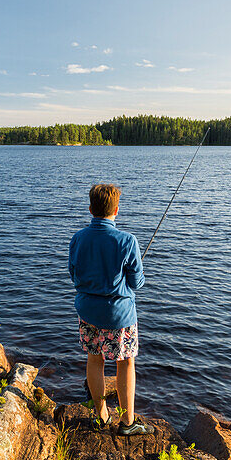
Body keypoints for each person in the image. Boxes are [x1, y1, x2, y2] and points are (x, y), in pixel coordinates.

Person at [69, 183, 149, 435]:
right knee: (125, 363)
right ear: (116, 210)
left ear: (91, 208)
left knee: (94, 360)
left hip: (88, 312)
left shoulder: (78, 238)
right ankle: (127, 423)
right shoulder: (128, 240)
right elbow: (136, 283)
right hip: (119, 315)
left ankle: (101, 416)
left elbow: (74, 275)